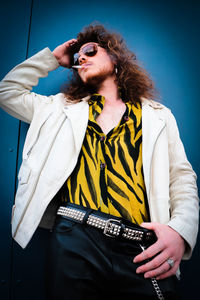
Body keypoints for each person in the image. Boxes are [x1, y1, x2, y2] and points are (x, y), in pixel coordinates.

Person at [0, 23, 199, 300]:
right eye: (77, 57)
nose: (81, 58)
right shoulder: (58, 109)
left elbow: (181, 178)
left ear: (115, 57)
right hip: (74, 236)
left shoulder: (158, 115)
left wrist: (180, 232)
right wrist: (53, 60)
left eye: (90, 51)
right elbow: (6, 92)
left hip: (142, 245)